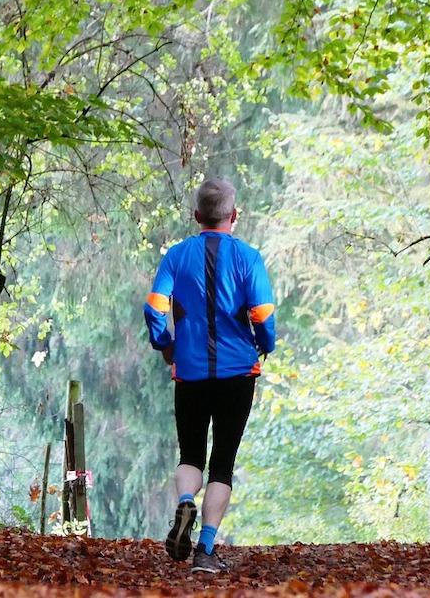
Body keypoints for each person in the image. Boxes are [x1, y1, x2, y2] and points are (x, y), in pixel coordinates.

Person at [142, 178, 277, 574]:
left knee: (190, 455)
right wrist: (264, 342)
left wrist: (164, 343)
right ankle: (205, 551)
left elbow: (154, 307)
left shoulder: (176, 256)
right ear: (233, 216)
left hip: (191, 372)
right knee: (222, 464)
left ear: (196, 215)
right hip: (238, 372)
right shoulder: (249, 258)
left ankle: (186, 501)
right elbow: (263, 314)